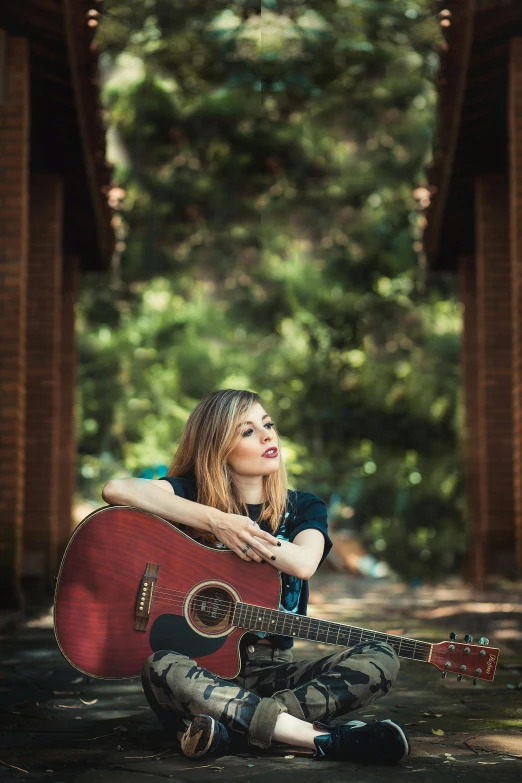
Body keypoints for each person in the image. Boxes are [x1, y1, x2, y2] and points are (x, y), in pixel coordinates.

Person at [102, 389, 409, 764]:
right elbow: (116, 489)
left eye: (268, 425)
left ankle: (236, 729)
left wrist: (246, 534)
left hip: (273, 671)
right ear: (217, 447)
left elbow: (303, 563)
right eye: (247, 431)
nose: (267, 436)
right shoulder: (191, 495)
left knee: (380, 657)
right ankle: (318, 739)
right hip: (202, 673)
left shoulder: (303, 508)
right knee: (160, 667)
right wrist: (217, 520)